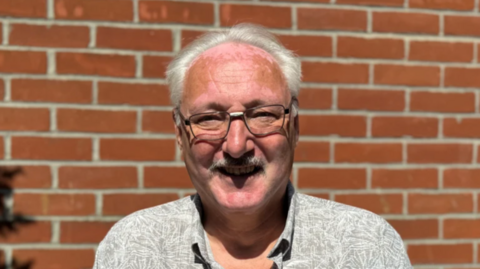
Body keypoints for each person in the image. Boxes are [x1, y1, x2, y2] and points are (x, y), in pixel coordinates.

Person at [93, 23, 412, 269]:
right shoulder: (133, 248)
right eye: (209, 118)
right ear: (180, 133)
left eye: (261, 115)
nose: (235, 145)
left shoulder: (365, 246)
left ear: (295, 127)